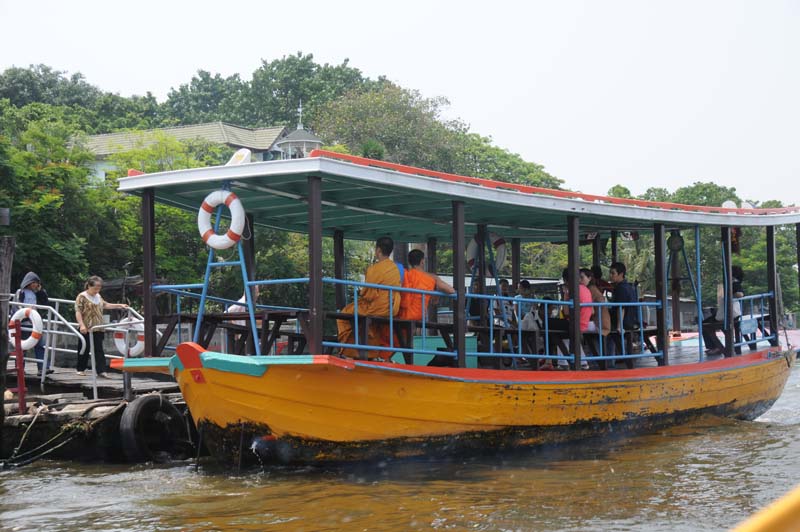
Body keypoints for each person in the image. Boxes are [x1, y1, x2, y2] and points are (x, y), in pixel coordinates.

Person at [337, 236, 402, 359]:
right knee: (366, 322)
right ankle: (370, 353)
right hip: (392, 308)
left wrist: (362, 293)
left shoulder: (374, 269)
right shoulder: (395, 268)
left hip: (377, 308)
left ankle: (347, 350)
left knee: (344, 314)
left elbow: (367, 293)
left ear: (378, 250)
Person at [75, 276, 128, 377]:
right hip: (86, 327)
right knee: (84, 348)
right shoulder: (82, 296)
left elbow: (105, 305)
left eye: (99, 288)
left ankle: (101, 371)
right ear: (89, 286)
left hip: (98, 327)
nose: (97, 290)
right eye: (95, 288)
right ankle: (81, 368)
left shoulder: (98, 296)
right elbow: (78, 311)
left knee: (99, 349)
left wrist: (119, 305)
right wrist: (81, 325)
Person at [398, 249, 454, 321]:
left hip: (401, 314)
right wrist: (437, 289)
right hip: (417, 315)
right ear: (422, 261)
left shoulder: (405, 275)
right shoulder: (431, 278)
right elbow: (451, 290)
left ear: (409, 262)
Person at [15, 272, 51, 375]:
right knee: (23, 347)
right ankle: (20, 368)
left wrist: (41, 291)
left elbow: (45, 303)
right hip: (24, 323)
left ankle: (43, 368)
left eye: (37, 283)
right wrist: (26, 315)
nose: (36, 285)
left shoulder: (37, 293)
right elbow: (18, 306)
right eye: (34, 282)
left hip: (35, 323)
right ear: (29, 282)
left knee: (40, 345)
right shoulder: (20, 292)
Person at [702, 266, 744, 356]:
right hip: (732, 313)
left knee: (705, 325)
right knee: (707, 322)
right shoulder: (731, 283)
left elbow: (740, 294)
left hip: (728, 314)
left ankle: (715, 347)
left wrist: (731, 294)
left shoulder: (734, 283)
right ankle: (725, 345)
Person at [609, 262, 637, 331]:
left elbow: (621, 308)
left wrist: (619, 327)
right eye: (610, 273)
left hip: (624, 323)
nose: (610, 275)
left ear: (621, 274)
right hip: (630, 321)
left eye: (613, 273)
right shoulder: (628, 287)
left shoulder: (621, 288)